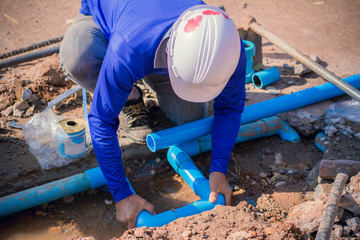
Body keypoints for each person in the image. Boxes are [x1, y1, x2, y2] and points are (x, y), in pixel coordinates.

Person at [60, 0, 246, 229]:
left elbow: (229, 108)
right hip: (109, 26)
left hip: (156, 48)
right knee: (80, 56)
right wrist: (122, 195)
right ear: (171, 53)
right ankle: (128, 96)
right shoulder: (128, 47)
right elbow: (100, 121)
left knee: (190, 120)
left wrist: (219, 169)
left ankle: (142, 78)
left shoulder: (228, 46)